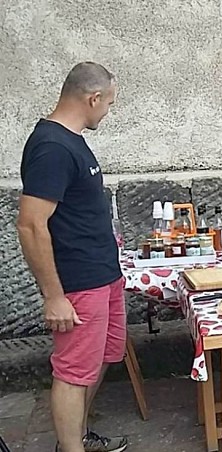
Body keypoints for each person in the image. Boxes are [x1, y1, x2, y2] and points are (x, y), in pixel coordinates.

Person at [16, 62, 128, 452]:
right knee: (73, 372)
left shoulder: (71, 140)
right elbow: (30, 225)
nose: (107, 111)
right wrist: (54, 296)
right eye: (108, 103)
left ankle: (76, 438)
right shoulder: (52, 147)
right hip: (78, 282)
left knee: (103, 358)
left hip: (104, 274)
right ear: (93, 98)